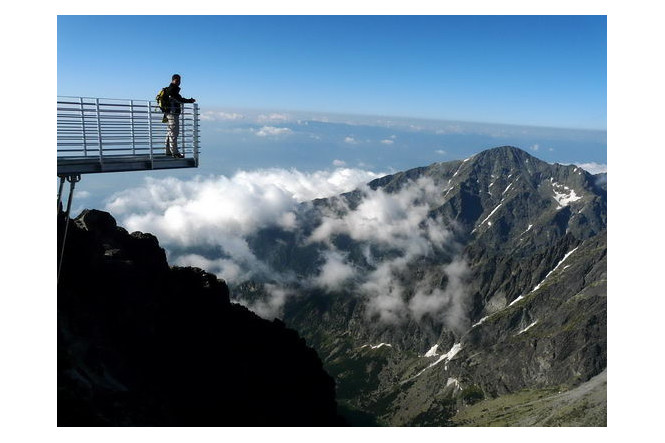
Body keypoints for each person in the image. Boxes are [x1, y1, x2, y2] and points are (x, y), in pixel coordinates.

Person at [164, 74, 196, 158]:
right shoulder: (172, 90)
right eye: (177, 80)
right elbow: (178, 99)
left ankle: (168, 151)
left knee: (170, 132)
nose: (179, 82)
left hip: (170, 113)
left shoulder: (171, 89)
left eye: (179, 80)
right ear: (173, 80)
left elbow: (178, 99)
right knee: (174, 133)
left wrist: (188, 100)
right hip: (172, 113)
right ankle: (175, 153)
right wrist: (189, 101)